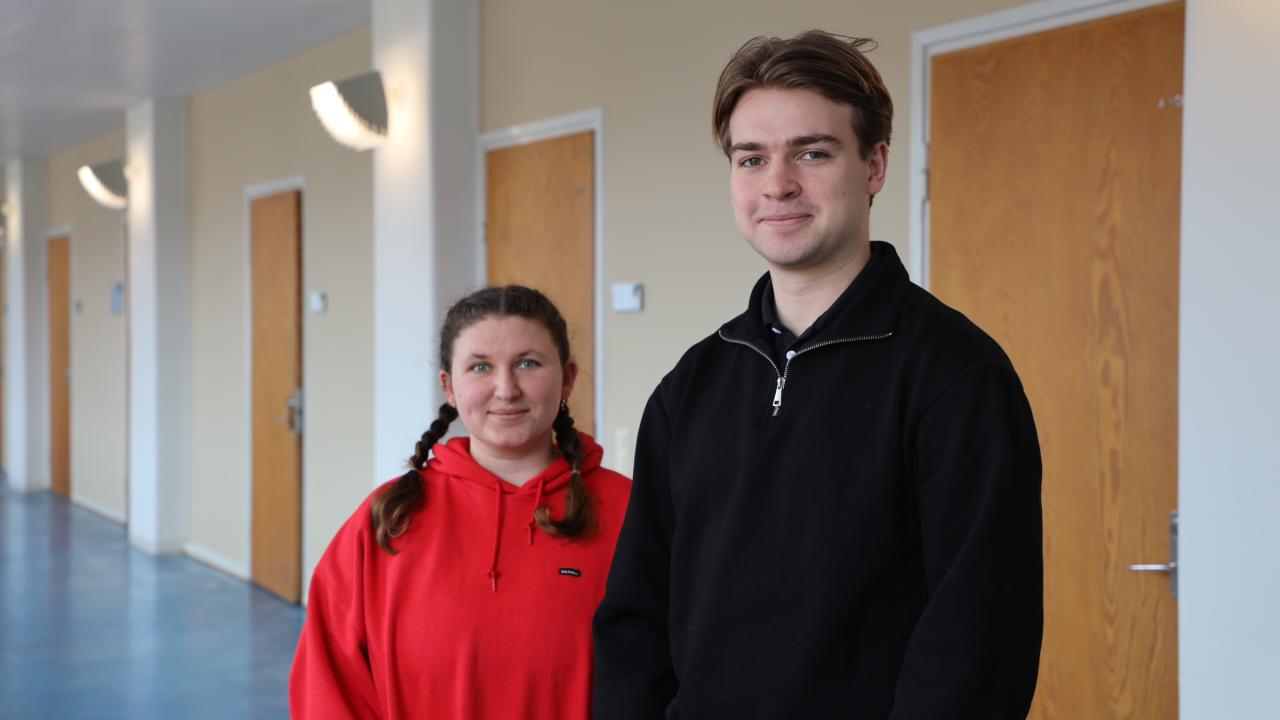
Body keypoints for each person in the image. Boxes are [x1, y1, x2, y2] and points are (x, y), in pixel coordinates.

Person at [593, 30, 1043, 718]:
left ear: (874, 165)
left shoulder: (956, 375)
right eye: (752, 158)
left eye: (812, 151)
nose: (777, 184)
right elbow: (636, 618)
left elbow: (978, 640)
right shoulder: (692, 385)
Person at [291, 285, 631, 720]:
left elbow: (671, 666)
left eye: (528, 363)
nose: (506, 389)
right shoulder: (388, 518)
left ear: (567, 378)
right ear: (448, 387)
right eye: (480, 367)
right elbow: (329, 684)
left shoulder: (628, 511)